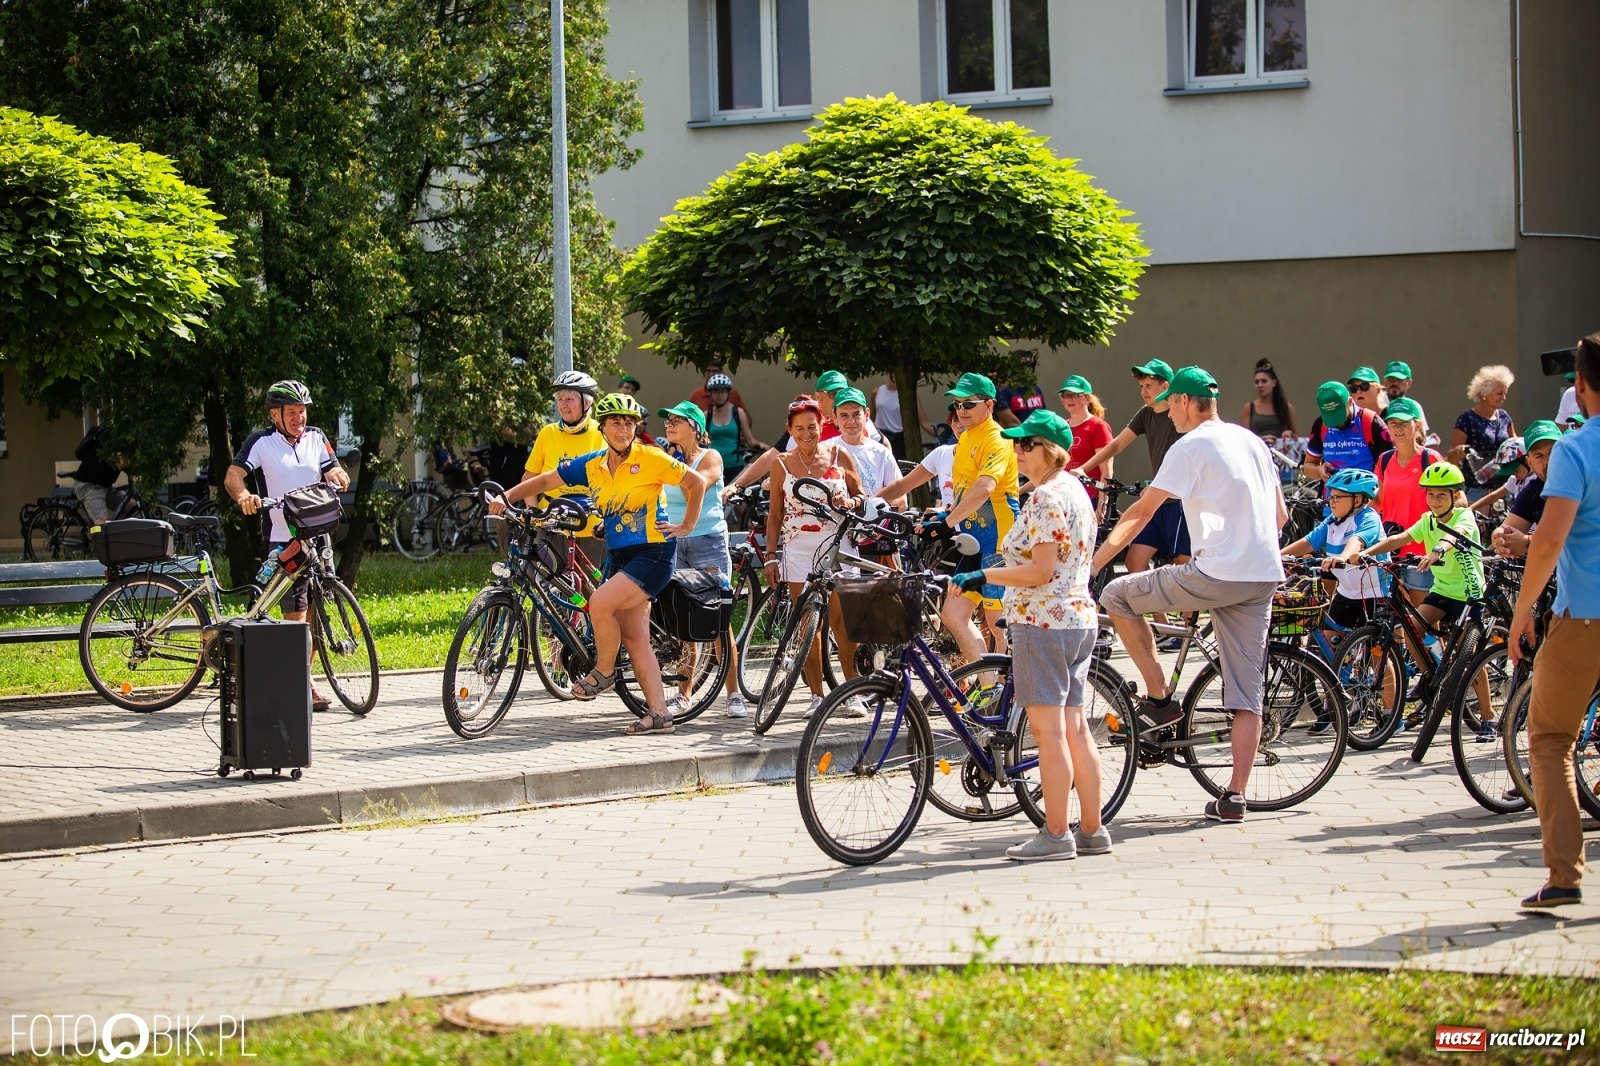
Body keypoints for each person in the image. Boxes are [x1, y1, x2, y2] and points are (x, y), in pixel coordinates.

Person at [1091, 366, 1287, 823]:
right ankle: (1234, 797)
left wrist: (1093, 564)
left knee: (1117, 596)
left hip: (1215, 574)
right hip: (1262, 574)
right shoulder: (1251, 441)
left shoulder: (1190, 445)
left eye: (1169, 406)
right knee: (1247, 694)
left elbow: (1141, 513)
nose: (1167, 415)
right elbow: (1279, 516)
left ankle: (1160, 701)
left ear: (1183, 401)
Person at [493, 393, 705, 735]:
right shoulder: (592, 464)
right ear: (602, 427)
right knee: (635, 637)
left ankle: (604, 671)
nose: (623, 429)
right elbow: (546, 480)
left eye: (629, 424)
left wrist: (687, 526)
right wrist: (506, 497)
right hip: (619, 553)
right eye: (616, 423)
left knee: (601, 602)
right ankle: (660, 714)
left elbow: (697, 482)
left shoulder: (651, 457)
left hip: (653, 553)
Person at [951, 410, 1108, 861]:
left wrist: (984, 575)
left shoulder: (1044, 497)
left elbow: (1040, 570)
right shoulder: (1074, 489)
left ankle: (1056, 834)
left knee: (1048, 732)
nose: (1017, 450)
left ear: (1050, 450)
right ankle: (1092, 829)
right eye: (1016, 443)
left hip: (1043, 622)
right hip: (1077, 618)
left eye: (1025, 444)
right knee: (1075, 727)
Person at [1507, 331, 1600, 909]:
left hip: (1584, 617)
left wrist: (1522, 612)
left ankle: (1565, 876)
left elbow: (1548, 540)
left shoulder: (1575, 448)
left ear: (1580, 385)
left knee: (1549, 739)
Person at [224, 380, 351, 712]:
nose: (299, 418)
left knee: (318, 608)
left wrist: (338, 474)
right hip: (284, 536)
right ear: (275, 415)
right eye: (292, 412)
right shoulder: (261, 442)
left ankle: (305, 678)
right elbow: (233, 476)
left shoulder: (316, 437)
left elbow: (333, 466)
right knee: (295, 615)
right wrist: (244, 496)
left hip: (318, 533)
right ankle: (301, 682)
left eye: (302, 411)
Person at [875, 374, 1020, 662]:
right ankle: (988, 682)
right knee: (953, 615)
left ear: (990, 405)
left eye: (969, 403)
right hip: (973, 542)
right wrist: (869, 503)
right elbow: (930, 487)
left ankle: (1013, 685)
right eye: (957, 404)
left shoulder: (997, 438)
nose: (961, 410)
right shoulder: (966, 439)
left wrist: (947, 522)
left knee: (998, 624)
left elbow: (984, 488)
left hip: (999, 542)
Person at [1072, 359, 1192, 646]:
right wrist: (1084, 468)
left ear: (1166, 386)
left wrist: (1163, 484)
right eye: (1141, 386)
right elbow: (1116, 444)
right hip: (1156, 501)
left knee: (1183, 564)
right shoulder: (1145, 414)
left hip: (1179, 502)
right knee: (1135, 560)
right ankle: (1164, 628)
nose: (1144, 391)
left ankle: (1188, 632)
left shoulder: (1180, 417)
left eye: (1149, 385)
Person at [763, 397, 864, 716]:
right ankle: (817, 696)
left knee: (843, 623)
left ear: (823, 426)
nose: (806, 434)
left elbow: (861, 496)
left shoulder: (839, 454)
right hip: (798, 548)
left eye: (812, 427)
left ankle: (852, 691)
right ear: (789, 430)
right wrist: (770, 555)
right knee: (808, 625)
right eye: (799, 429)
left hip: (839, 545)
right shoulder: (780, 463)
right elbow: (775, 514)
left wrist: (852, 503)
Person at [659, 400, 745, 720]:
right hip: (674, 542)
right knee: (685, 621)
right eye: (668, 420)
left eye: (676, 421)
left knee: (718, 620)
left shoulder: (711, 457)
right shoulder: (669, 458)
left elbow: (692, 491)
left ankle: (733, 694)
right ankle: (684, 695)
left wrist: (678, 462)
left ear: (695, 428)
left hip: (707, 541)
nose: (669, 425)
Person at [1281, 468, 1389, 652]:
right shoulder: (1333, 520)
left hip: (1375, 594)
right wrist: (1278, 556)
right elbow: (1309, 542)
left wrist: (1343, 557)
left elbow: (1357, 540)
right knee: (1329, 645)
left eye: (1338, 497)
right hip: (1346, 592)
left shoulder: (1368, 518)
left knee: (1376, 653)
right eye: (1331, 496)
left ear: (1357, 500)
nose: (1332, 501)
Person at [522, 371, 605, 569]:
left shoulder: (602, 433)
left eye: (569, 399)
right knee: (547, 579)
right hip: (552, 522)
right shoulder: (548, 433)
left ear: (587, 403)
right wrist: (534, 512)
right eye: (560, 399)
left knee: (592, 584)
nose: (563, 405)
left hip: (592, 526)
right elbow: (529, 478)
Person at [1371, 398, 1444, 599]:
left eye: (1404, 423)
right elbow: (1378, 502)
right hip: (1391, 550)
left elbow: (1457, 499)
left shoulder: (1430, 458)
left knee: (1421, 614)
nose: (1397, 428)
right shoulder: (1384, 460)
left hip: (1422, 551)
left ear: (1417, 425)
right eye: (1393, 423)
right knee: (1395, 614)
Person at [1491, 420, 1562, 558]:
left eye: (1552, 452)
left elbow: (1578, 536)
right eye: (1539, 456)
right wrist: (1500, 538)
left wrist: (1528, 542)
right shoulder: (1532, 491)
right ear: (1530, 463)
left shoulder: (1586, 482)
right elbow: (1508, 527)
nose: (1547, 461)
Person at [1449, 364, 1516, 500]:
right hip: (1476, 490)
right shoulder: (1467, 419)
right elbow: (1451, 456)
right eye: (1499, 393)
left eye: (1505, 393)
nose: (1503, 397)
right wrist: (1459, 451)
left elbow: (1516, 446)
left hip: (1504, 489)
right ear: (1484, 393)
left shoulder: (1504, 417)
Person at [831, 388, 904, 508]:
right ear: (834, 417)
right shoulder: (826, 449)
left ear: (867, 415)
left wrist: (874, 513)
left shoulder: (882, 453)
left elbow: (901, 500)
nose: (851, 421)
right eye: (844, 415)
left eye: (856, 414)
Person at [1303, 381, 1391, 481]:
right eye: (1330, 417)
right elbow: (1308, 465)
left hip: (1367, 489)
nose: (1336, 422)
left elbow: (1389, 468)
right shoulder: (1320, 424)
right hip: (1331, 490)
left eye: (1339, 415)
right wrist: (1318, 470)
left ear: (1350, 402)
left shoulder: (1372, 422)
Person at [1057, 375, 1113, 511]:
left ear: (1087, 399)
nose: (1069, 399)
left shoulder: (1098, 426)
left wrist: (1102, 506)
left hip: (1090, 499)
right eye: (1066, 395)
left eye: (1075, 395)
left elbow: (1106, 471)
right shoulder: (1062, 427)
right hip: (1064, 499)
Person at [701, 373, 763, 481]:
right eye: (716, 392)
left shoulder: (738, 413)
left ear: (728, 393)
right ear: (711, 394)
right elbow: (700, 441)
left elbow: (750, 440)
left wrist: (768, 449)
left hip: (735, 466)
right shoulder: (706, 415)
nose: (720, 395)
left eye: (723, 391)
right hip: (713, 466)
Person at [870, 375, 934, 461]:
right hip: (881, 437)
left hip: (900, 440)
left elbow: (924, 422)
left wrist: (942, 436)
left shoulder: (909, 395)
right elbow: (872, 418)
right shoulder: (877, 392)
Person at [70, 423, 124, 524]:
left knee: (130, 507)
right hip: (90, 485)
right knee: (102, 522)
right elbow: (120, 462)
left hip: (105, 486)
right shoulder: (108, 435)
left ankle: (119, 532)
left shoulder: (123, 439)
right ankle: (101, 533)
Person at [1239, 359, 1298, 444]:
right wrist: (1261, 440)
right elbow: (1244, 439)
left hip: (1281, 450)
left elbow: (1297, 437)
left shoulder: (1287, 408)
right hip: (1259, 450)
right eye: (1257, 382)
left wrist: (1290, 434)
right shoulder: (1249, 408)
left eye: (1264, 381)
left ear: (1274, 383)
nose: (1260, 385)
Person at [994, 354, 1047, 429]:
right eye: (1021, 366)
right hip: (1015, 434)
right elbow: (1010, 422)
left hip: (1038, 433)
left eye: (1029, 365)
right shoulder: (1003, 391)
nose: (1025, 369)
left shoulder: (1035, 389)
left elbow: (1044, 416)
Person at [1382, 361, 1431, 438]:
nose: (1395, 383)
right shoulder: (1375, 401)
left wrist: (1430, 441)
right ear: (1385, 381)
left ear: (1409, 383)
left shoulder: (1414, 406)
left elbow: (1421, 437)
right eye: (1391, 379)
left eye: (1400, 380)